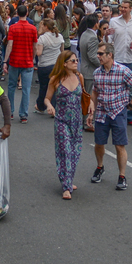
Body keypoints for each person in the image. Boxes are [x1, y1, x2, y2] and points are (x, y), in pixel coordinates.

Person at [89, 43, 132, 191]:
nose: (98, 56)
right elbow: (95, 91)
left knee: (119, 145)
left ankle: (122, 176)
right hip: (102, 112)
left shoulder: (123, 71)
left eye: (101, 54)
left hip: (118, 112)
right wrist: (91, 107)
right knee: (99, 143)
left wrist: (131, 104)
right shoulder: (97, 73)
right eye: (98, 54)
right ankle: (100, 167)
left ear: (110, 55)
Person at [46, 50, 85, 199]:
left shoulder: (79, 77)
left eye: (76, 60)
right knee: (65, 152)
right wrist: (50, 105)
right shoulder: (56, 79)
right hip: (61, 120)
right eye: (73, 61)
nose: (76, 63)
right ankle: (66, 187)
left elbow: (84, 95)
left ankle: (68, 180)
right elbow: (47, 98)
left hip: (77, 121)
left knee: (75, 153)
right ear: (65, 63)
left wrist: (92, 105)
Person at [4, 7, 39, 123]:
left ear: (17, 14)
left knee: (11, 87)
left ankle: (10, 111)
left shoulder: (13, 28)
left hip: (15, 61)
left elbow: (9, 45)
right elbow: (35, 46)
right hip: (27, 61)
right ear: (27, 13)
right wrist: (33, 57)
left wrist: (5, 60)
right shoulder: (33, 29)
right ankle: (23, 114)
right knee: (26, 89)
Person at [34, 18, 65, 114]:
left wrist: (34, 48)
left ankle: (41, 106)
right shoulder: (59, 36)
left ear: (46, 27)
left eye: (41, 26)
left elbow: (39, 53)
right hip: (56, 65)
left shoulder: (42, 38)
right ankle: (54, 107)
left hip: (44, 65)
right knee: (55, 87)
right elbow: (62, 51)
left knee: (44, 86)